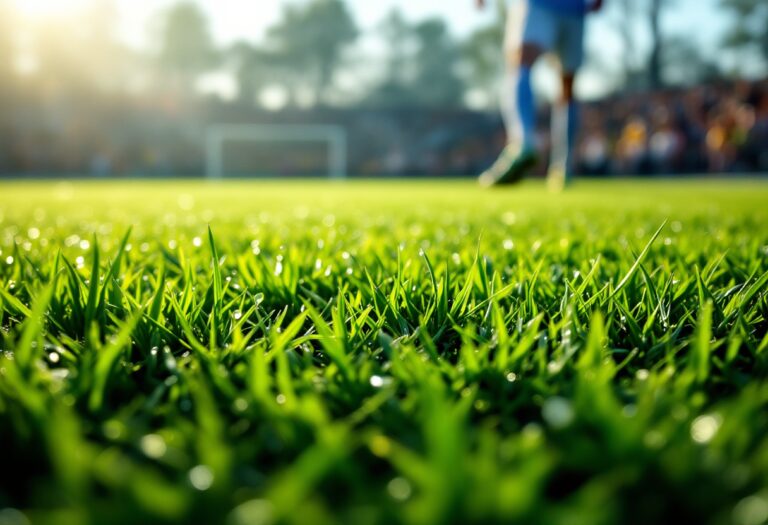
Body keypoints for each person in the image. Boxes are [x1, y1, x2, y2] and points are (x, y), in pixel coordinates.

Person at [476, 0, 603, 189]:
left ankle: (524, 143)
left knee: (521, 62)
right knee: (567, 86)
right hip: (575, 8)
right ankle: (563, 167)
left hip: (541, 4)